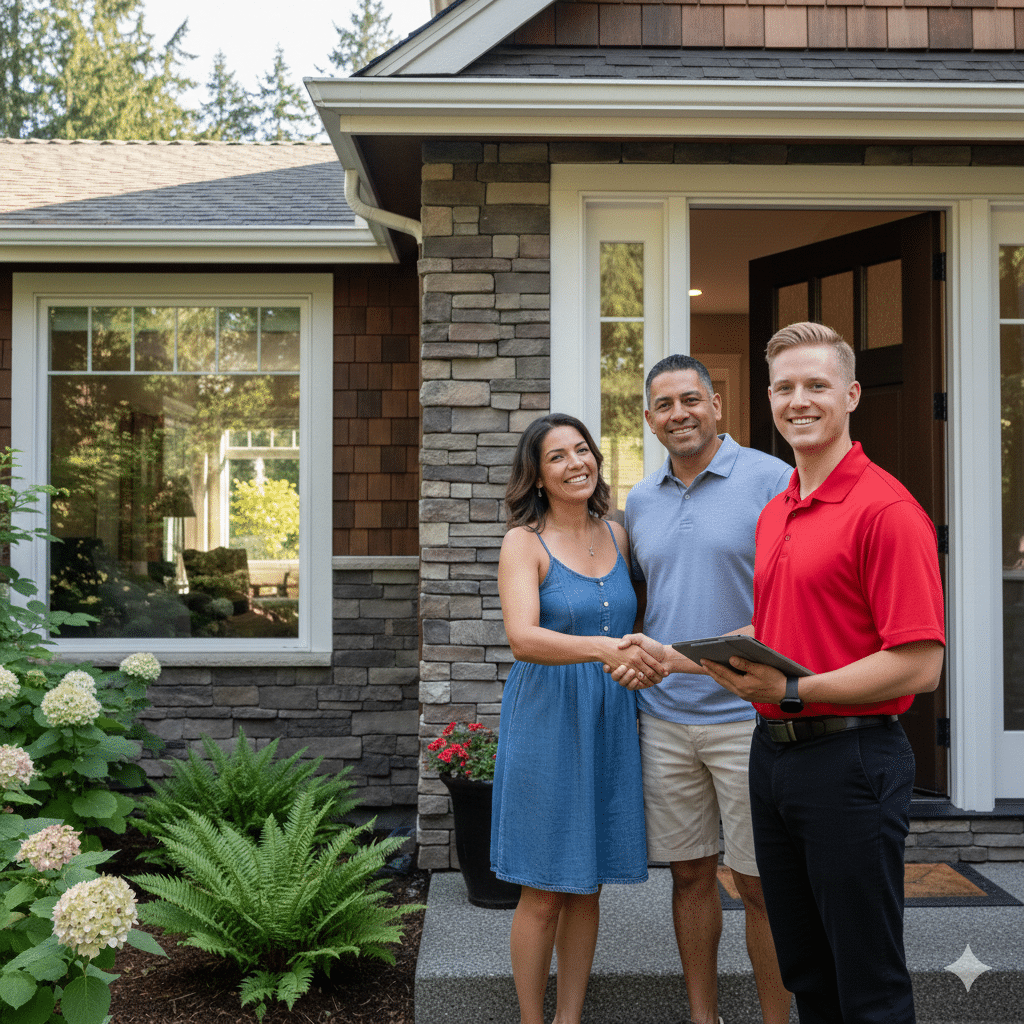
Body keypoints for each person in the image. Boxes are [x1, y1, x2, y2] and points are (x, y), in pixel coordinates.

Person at [700, 322, 945, 1024]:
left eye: (816, 385)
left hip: (852, 760)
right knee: (806, 968)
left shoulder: (887, 511)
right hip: (773, 761)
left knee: (867, 981)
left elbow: (920, 664)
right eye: (784, 387)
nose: (798, 399)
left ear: (852, 394)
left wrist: (795, 689)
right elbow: (791, 624)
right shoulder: (776, 509)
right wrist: (730, 647)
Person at [619, 354, 793, 1024]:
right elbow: (642, 598)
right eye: (664, 405)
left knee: (757, 882)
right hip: (663, 718)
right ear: (649, 419)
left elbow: (788, 602)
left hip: (747, 718)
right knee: (690, 874)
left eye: (690, 399)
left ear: (716, 403)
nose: (679, 414)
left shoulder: (769, 479)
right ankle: (704, 1016)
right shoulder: (641, 499)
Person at [492, 413, 666, 1024]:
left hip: (610, 716)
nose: (576, 463)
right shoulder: (524, 542)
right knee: (543, 886)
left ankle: (570, 1019)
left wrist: (641, 657)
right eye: (558, 457)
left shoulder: (617, 536)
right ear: (537, 477)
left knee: (587, 883)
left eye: (583, 450)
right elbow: (523, 638)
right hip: (546, 718)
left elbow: (634, 625)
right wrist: (604, 649)